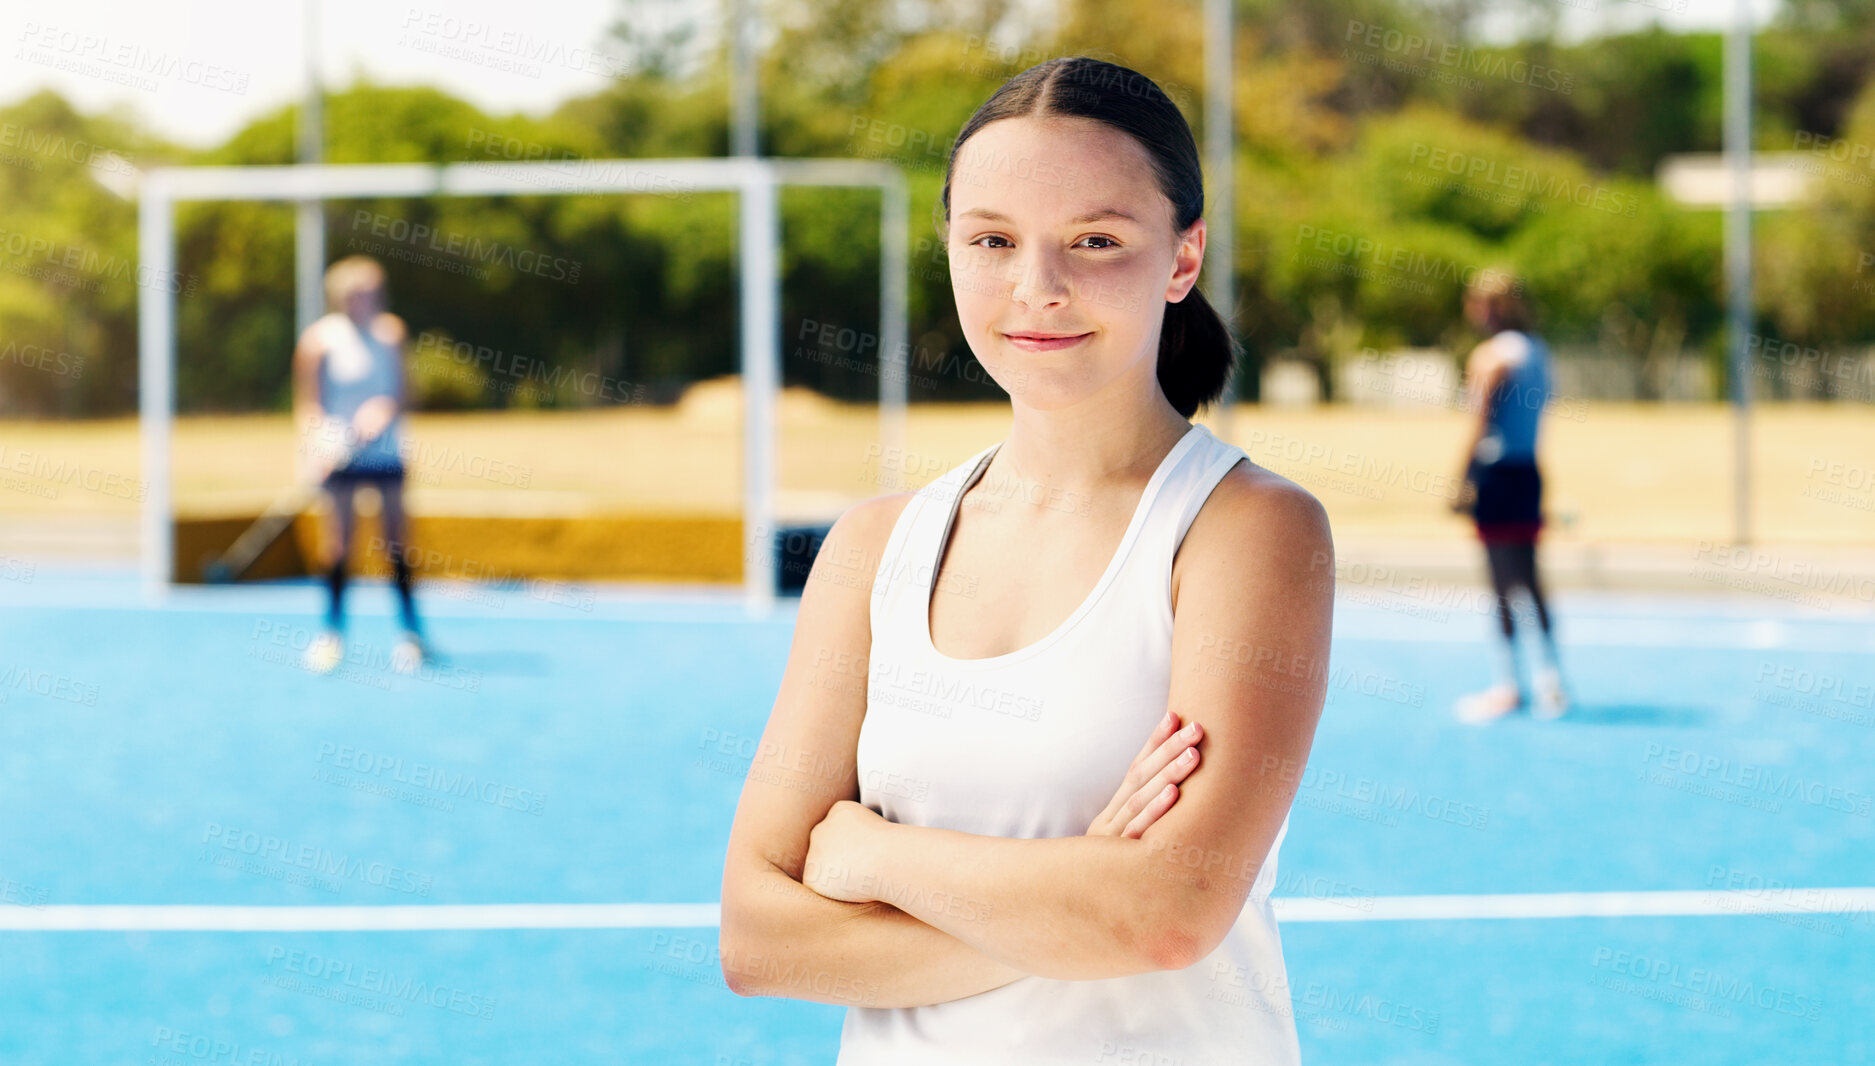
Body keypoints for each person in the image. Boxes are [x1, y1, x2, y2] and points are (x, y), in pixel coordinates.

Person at [719, 57, 1333, 1064]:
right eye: (992, 239)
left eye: (1096, 240)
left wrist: (878, 855)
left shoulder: (1247, 531)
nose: (1036, 287)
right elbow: (758, 939)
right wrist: (1082, 887)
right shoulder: (873, 549)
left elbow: (1167, 920)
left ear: (1182, 259)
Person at [291, 255, 424, 676]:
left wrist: (385, 408)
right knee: (339, 544)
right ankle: (331, 634)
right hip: (338, 456)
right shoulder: (318, 341)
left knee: (396, 543)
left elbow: (406, 393)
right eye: (354, 293)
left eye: (369, 292)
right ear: (339, 295)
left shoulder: (391, 333)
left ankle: (411, 635)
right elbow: (308, 406)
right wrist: (316, 448)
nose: (362, 300)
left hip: (385, 453)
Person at [1451, 270, 1566, 722]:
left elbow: (1479, 425)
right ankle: (1551, 680)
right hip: (1529, 472)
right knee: (1531, 578)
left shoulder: (1492, 358)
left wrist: (1462, 482)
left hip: (1498, 474)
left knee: (1502, 583)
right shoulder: (1538, 350)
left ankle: (1509, 684)